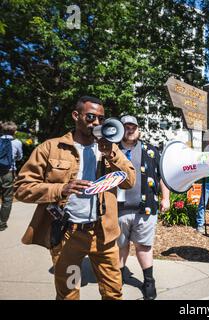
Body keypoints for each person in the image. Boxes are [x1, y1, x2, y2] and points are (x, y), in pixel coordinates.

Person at [14, 96, 136, 300]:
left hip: (103, 234)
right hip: (68, 234)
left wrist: (111, 156)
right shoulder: (51, 148)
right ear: (76, 115)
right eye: (90, 117)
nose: (96, 122)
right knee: (69, 293)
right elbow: (22, 188)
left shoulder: (109, 148)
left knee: (113, 293)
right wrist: (62, 188)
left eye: (101, 118)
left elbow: (129, 181)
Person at [117, 115, 170, 300]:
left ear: (138, 129)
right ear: (120, 129)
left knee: (144, 246)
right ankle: (119, 277)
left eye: (133, 127)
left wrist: (166, 198)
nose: (130, 130)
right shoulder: (111, 150)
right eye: (126, 127)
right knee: (120, 246)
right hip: (117, 209)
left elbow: (162, 175)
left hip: (145, 209)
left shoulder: (151, 150)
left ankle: (149, 282)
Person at [0, 121, 23, 231]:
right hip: (8, 172)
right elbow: (19, 157)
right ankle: (2, 224)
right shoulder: (17, 142)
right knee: (7, 198)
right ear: (14, 131)